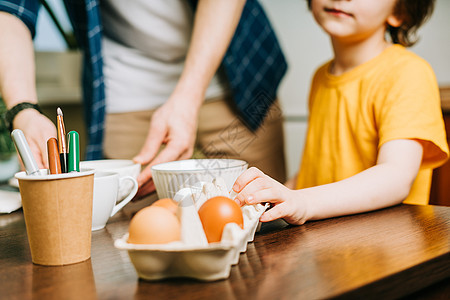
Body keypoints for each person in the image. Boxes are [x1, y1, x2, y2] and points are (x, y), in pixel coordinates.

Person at [0, 0, 287, 197]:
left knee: (260, 211)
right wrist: (23, 110)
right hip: (124, 89)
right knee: (131, 219)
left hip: (243, 79)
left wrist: (188, 97)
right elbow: (11, 9)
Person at [233, 0, 449, 225]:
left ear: (400, 11)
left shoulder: (408, 73)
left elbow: (396, 176)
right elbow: (316, 169)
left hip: (386, 249)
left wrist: (303, 202)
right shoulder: (320, 77)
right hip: (329, 248)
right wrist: (266, 201)